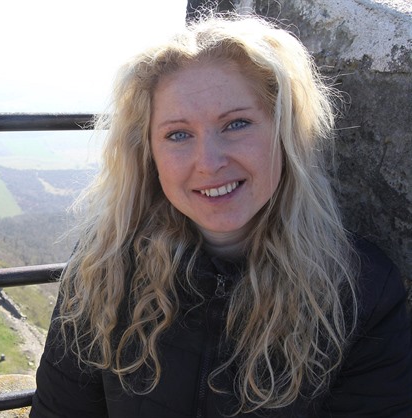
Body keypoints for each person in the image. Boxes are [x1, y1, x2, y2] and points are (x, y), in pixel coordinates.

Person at [30, 12, 412, 418]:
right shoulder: (103, 269)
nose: (209, 163)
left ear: (283, 133)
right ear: (149, 155)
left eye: (236, 124)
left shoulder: (359, 291)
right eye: (178, 134)